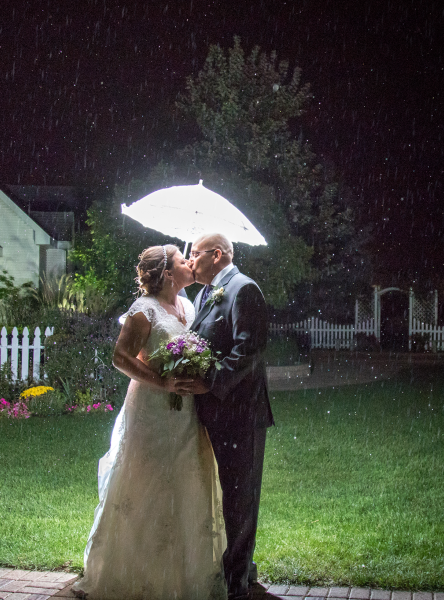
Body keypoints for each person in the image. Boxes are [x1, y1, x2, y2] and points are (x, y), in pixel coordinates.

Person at [72, 244, 227, 600]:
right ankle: (134, 573)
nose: (191, 263)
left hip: (186, 412)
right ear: (168, 274)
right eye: (183, 260)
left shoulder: (188, 305)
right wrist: (164, 382)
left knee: (187, 479)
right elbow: (120, 357)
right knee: (148, 481)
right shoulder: (143, 311)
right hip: (153, 409)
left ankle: (185, 573)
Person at [186, 233, 274, 600]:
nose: (191, 260)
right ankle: (243, 569)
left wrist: (210, 383)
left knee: (240, 497)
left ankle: (238, 583)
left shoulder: (244, 289)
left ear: (217, 254)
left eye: (195, 253)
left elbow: (247, 350)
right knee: (227, 495)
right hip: (214, 414)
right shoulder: (203, 294)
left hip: (240, 414)